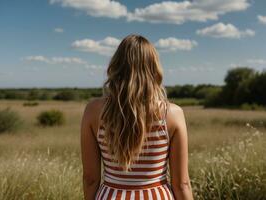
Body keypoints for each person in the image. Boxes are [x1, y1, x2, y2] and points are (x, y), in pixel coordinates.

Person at [80, 34, 194, 200]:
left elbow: (90, 179)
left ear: (116, 66)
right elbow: (181, 184)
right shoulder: (172, 114)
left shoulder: (93, 111)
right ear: (154, 68)